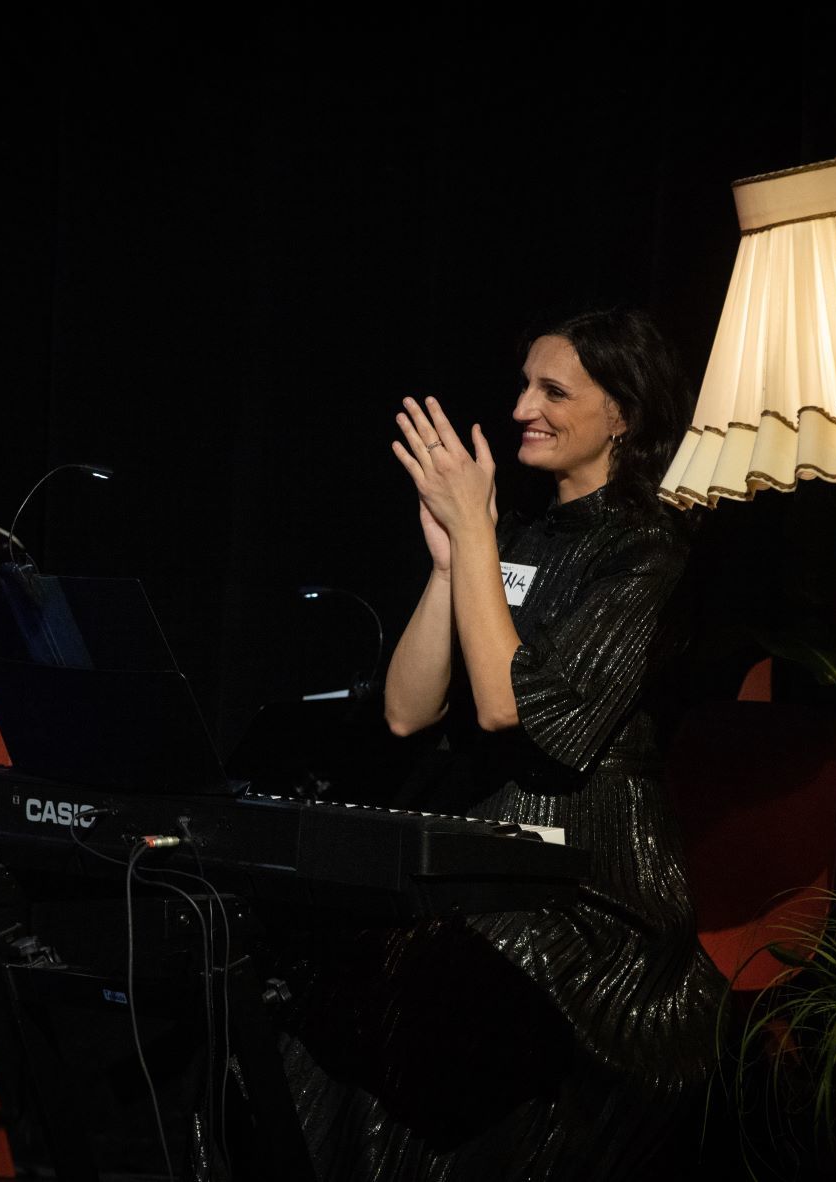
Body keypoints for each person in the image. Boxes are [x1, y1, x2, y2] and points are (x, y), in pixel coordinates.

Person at [279, 308, 724, 1181]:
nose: (523, 405)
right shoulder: (513, 537)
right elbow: (408, 712)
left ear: (623, 416)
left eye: (553, 390)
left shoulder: (649, 550)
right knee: (325, 981)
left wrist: (476, 540)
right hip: (486, 841)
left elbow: (508, 710)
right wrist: (452, 564)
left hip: (590, 875)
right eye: (524, 383)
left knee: (443, 989)